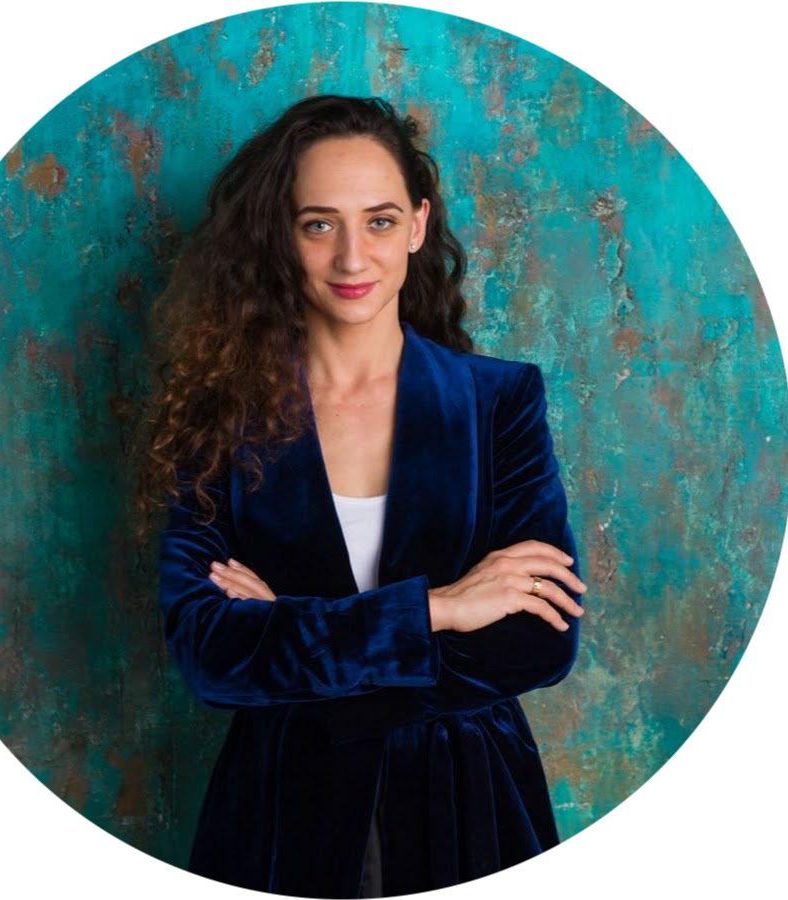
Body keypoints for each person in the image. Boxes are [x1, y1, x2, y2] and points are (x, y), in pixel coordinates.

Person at [140, 95, 586, 900]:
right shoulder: (221, 418)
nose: (352, 257)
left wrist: (292, 634)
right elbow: (211, 655)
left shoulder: (498, 402)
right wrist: (438, 609)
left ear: (418, 225)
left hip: (469, 808)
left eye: (379, 221)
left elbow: (537, 641)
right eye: (319, 224)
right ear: (281, 234)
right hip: (283, 815)